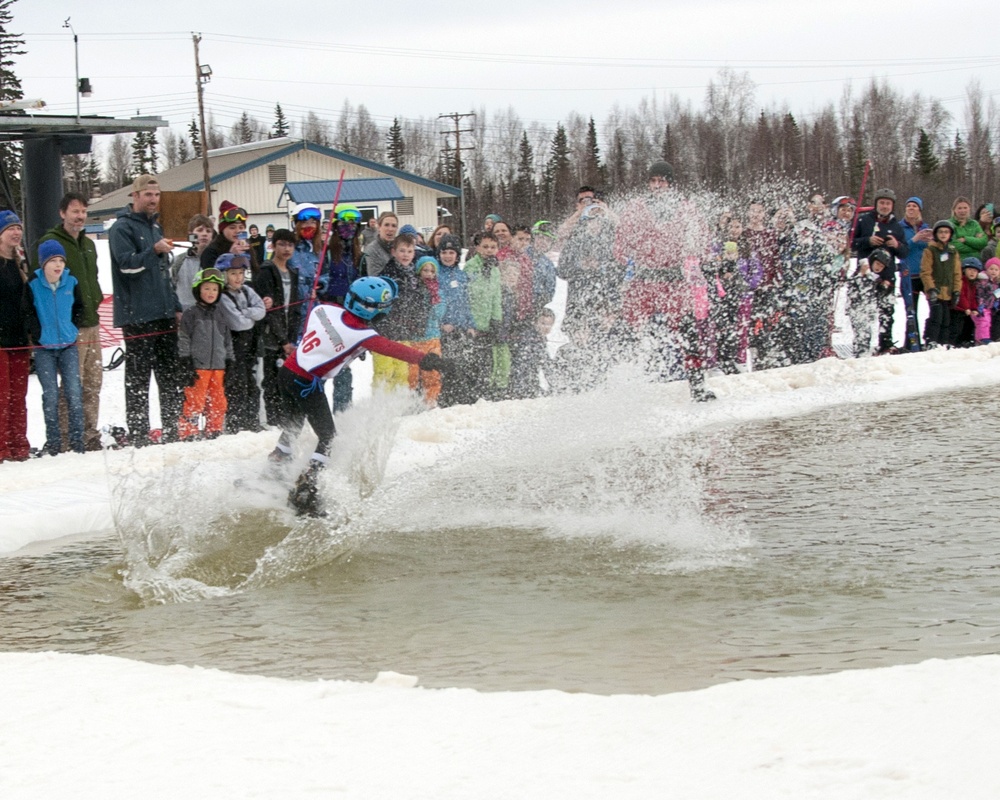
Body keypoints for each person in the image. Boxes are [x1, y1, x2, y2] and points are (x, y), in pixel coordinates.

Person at [270, 276, 449, 516]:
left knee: (294, 423)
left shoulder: (324, 309)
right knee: (328, 436)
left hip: (287, 373)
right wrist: (429, 361)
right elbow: (393, 348)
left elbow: (331, 334)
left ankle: (275, 466)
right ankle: (306, 490)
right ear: (371, 309)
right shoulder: (363, 336)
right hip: (307, 383)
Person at [613, 161, 715, 401]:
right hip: (644, 281)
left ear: (670, 184)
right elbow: (621, 245)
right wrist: (629, 255)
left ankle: (698, 387)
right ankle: (617, 388)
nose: (657, 186)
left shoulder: (685, 208)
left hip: (674, 281)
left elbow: (701, 241)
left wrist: (695, 251)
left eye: (662, 181)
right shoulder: (636, 208)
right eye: (653, 181)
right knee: (628, 332)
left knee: (689, 335)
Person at [109, 174, 183, 446]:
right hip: (137, 316)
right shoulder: (121, 228)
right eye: (148, 195)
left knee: (169, 376)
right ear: (135, 196)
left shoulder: (156, 227)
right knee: (138, 380)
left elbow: (164, 274)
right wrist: (153, 250)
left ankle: (173, 429)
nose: (153, 199)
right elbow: (127, 266)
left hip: (163, 313)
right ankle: (140, 434)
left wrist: (175, 306)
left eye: (157, 194)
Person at [33, 191, 104, 451]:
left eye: (84, 211)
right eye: (75, 211)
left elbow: (93, 278)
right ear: (63, 213)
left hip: (92, 320)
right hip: (68, 326)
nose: (80, 216)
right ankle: (64, 436)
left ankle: (89, 433)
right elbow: (38, 283)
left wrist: (94, 300)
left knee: (93, 382)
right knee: (72, 384)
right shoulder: (51, 242)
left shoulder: (88, 244)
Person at [24, 241, 85, 455]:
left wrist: (72, 328)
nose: (58, 265)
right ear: (43, 264)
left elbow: (79, 308)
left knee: (74, 392)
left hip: (68, 345)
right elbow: (28, 312)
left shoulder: (71, 282)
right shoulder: (32, 284)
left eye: (61, 260)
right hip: (44, 349)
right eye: (53, 261)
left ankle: (78, 441)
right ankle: (54, 442)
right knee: (50, 395)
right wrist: (38, 334)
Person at [177, 268, 233, 440]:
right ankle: (189, 431)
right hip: (198, 366)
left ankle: (214, 429)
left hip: (218, 366)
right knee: (195, 399)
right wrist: (185, 359)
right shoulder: (191, 314)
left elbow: (227, 339)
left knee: (218, 400)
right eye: (207, 288)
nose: (211, 293)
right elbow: (184, 337)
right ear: (198, 289)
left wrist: (230, 359)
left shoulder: (221, 314)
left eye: (215, 289)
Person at [254, 228, 301, 427]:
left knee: (286, 380)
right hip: (271, 337)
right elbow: (270, 311)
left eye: (290, 245)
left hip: (288, 336)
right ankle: (272, 419)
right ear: (273, 245)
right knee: (270, 380)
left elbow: (295, 309)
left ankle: (285, 417)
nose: (286, 249)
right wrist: (283, 341)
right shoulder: (266, 271)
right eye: (282, 244)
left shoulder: (293, 273)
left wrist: (291, 339)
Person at [852, 188, 908, 354]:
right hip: (866, 275)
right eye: (882, 203)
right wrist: (867, 241)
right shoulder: (863, 221)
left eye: (888, 203)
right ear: (876, 204)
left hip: (887, 276)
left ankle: (885, 344)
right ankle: (861, 347)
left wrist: (896, 245)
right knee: (863, 313)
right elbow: (851, 243)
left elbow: (905, 252)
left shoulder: (897, 226)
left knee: (887, 313)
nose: (884, 206)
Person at [320, 204, 363, 414]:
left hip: (349, 316)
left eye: (354, 223)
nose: (350, 227)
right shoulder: (328, 251)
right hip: (329, 313)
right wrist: (322, 285)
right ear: (336, 225)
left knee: (344, 368)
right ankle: (317, 412)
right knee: (325, 364)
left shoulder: (357, 254)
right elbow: (321, 277)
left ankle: (343, 413)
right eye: (345, 222)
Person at [371, 233, 427, 392]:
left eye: (409, 251)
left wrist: (417, 322)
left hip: (404, 330)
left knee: (403, 371)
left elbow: (417, 302)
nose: (406, 255)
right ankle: (381, 403)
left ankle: (398, 401)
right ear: (393, 252)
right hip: (385, 330)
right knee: (385, 370)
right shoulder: (387, 274)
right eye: (402, 251)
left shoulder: (414, 276)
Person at [217, 253, 266, 433]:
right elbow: (237, 323)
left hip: (250, 347)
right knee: (236, 384)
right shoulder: (222, 297)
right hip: (232, 348)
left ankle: (251, 420)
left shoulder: (247, 290)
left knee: (252, 384)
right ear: (224, 275)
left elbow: (261, 310)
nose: (238, 278)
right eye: (233, 274)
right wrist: (250, 314)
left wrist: (246, 312)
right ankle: (235, 423)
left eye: (240, 273)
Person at [435, 234, 479, 408]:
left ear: (457, 255)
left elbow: (466, 302)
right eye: (444, 252)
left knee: (463, 363)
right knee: (447, 365)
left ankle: (463, 395)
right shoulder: (436, 273)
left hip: (461, 329)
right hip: (444, 330)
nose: (447, 256)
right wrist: (441, 323)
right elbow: (435, 303)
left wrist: (470, 325)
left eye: (451, 252)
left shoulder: (461, 275)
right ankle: (446, 397)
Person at [0, 210, 29, 462]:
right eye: (10, 228)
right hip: (1, 341)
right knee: (2, 397)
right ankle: (2, 447)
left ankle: (19, 445)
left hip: (19, 339)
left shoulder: (21, 263)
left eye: (18, 228)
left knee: (18, 396)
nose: (16, 232)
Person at [463, 231, 504, 402]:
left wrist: (497, 320)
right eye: (485, 247)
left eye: (493, 247)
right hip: (473, 323)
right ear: (478, 248)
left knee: (487, 361)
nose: (489, 250)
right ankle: (470, 395)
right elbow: (469, 294)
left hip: (488, 323)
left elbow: (495, 296)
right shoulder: (471, 266)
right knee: (472, 361)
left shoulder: (495, 269)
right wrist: (468, 322)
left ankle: (485, 393)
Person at [408, 255, 446, 406]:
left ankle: (431, 401)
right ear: (419, 271)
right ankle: (409, 402)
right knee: (411, 375)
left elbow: (439, 314)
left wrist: (434, 298)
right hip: (414, 338)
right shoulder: (413, 290)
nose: (429, 274)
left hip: (432, 337)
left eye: (432, 271)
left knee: (432, 374)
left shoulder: (438, 292)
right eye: (425, 270)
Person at [920, 220, 962, 349]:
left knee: (946, 319)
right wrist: (931, 288)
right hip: (936, 290)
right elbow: (925, 271)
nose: (943, 234)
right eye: (940, 232)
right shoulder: (930, 250)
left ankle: (943, 342)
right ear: (936, 234)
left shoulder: (953, 252)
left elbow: (957, 273)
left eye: (946, 232)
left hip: (948, 291)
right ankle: (931, 340)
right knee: (936, 317)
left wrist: (956, 290)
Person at [899, 197, 932, 345]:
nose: (911, 208)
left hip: (925, 275)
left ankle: (930, 338)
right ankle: (912, 342)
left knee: (935, 307)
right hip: (909, 275)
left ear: (919, 210)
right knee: (911, 312)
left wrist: (931, 242)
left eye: (914, 206)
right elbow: (901, 248)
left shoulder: (925, 227)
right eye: (909, 206)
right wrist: (915, 239)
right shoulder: (900, 227)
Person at [201, 201, 255, 277]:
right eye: (232, 228)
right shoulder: (211, 252)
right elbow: (212, 282)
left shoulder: (247, 248)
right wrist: (230, 256)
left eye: (241, 227)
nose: (237, 231)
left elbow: (255, 276)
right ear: (222, 230)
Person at [174, 214, 215, 310]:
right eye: (200, 230)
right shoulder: (179, 261)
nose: (204, 234)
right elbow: (169, 288)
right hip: (185, 315)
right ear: (191, 235)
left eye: (208, 231)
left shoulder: (217, 261)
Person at [952, 258, 984, 347]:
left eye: (975, 270)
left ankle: (967, 340)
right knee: (958, 326)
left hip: (967, 310)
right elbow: (961, 296)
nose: (972, 272)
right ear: (964, 270)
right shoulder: (962, 281)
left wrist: (974, 308)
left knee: (971, 323)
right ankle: (956, 342)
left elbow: (973, 298)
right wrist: (966, 308)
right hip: (958, 309)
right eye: (970, 269)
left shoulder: (973, 284)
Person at [360, 211, 398, 277]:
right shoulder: (372, 250)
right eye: (386, 225)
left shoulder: (400, 248)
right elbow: (375, 278)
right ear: (379, 227)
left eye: (394, 226)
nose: (390, 229)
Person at [950, 197, 987, 262]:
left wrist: (966, 239)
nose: (963, 211)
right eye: (959, 208)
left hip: (975, 263)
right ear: (954, 210)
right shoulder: (949, 224)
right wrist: (975, 249)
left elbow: (983, 242)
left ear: (969, 209)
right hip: (957, 261)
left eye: (965, 208)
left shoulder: (974, 224)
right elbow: (953, 245)